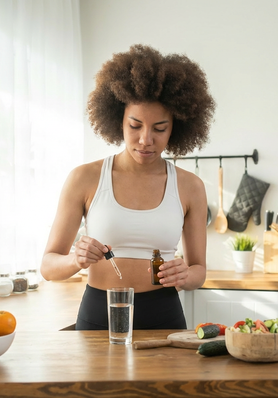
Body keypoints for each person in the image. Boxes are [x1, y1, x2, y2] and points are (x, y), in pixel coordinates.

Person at [40, 44, 216, 330]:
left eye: (160, 129)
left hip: (164, 315)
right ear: (118, 121)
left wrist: (186, 275)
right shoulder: (84, 178)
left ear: (176, 128)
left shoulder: (190, 186)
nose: (146, 139)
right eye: (135, 126)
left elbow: (199, 271)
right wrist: (76, 260)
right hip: (99, 313)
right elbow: (48, 267)